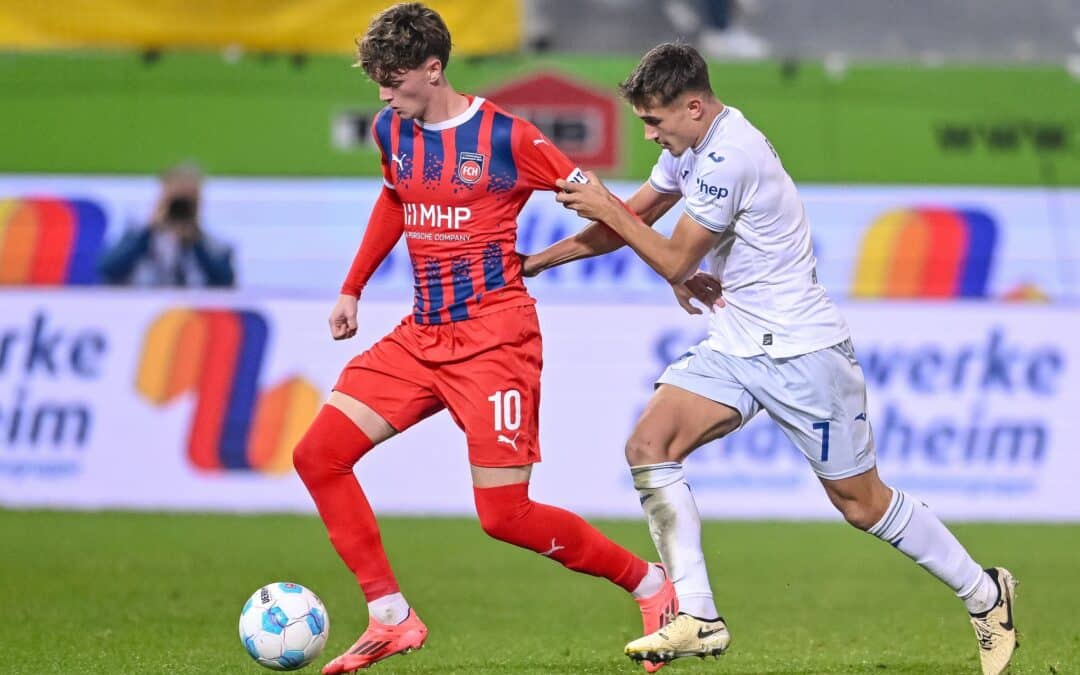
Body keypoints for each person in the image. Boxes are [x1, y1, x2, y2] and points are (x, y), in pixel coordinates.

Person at [523, 42, 1018, 675]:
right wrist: (532, 264)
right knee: (649, 446)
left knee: (860, 503)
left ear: (694, 106)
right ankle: (698, 617)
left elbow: (671, 255)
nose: (649, 134)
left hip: (802, 351)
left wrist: (611, 213)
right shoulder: (691, 150)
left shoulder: (730, 156)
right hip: (736, 342)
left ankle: (985, 593)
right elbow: (633, 218)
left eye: (655, 121)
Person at [290, 5, 678, 674]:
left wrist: (673, 267)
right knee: (318, 455)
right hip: (421, 335)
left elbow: (605, 204)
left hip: (495, 341)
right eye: (378, 82)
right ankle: (391, 616)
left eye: (394, 80)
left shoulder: (509, 138)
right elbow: (395, 199)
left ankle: (651, 583)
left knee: (504, 515)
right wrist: (352, 286)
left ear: (433, 69)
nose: (384, 95)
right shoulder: (393, 129)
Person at [98, 163, 235, 287]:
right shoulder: (136, 236)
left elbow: (225, 281)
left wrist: (195, 241)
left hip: (192, 311)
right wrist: (149, 230)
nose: (180, 208)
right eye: (176, 200)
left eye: (188, 201)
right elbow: (107, 269)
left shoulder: (211, 243)